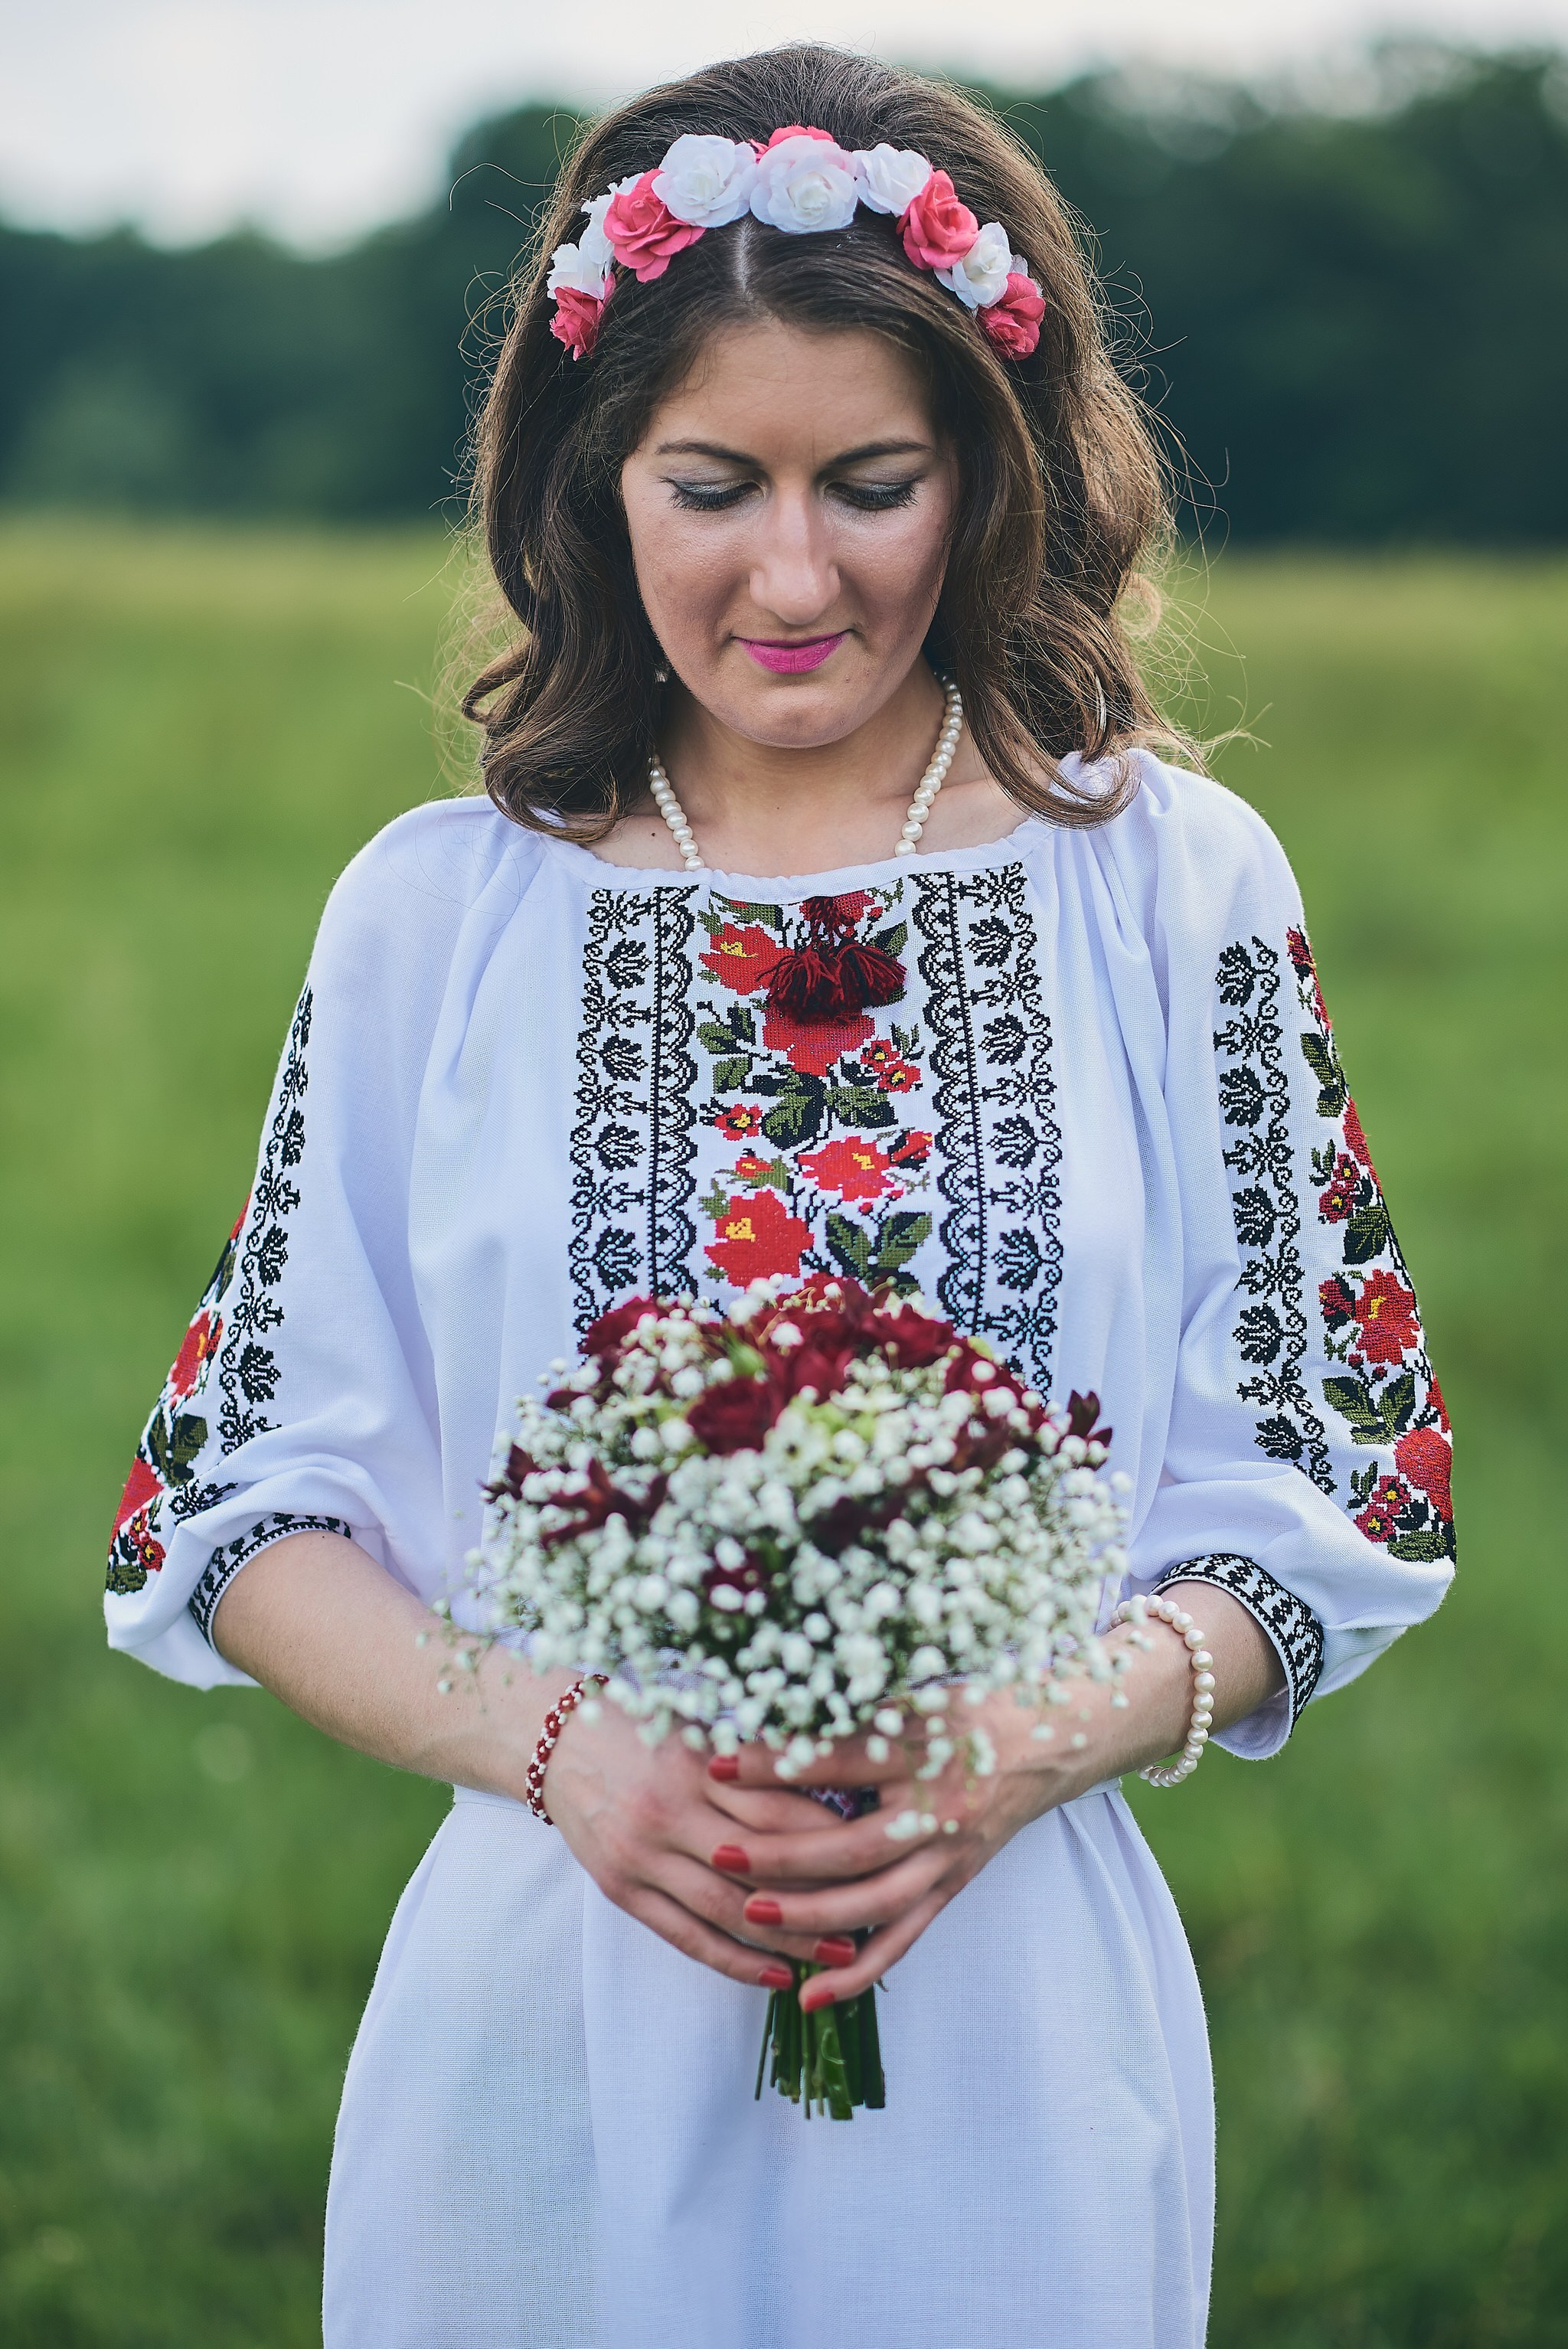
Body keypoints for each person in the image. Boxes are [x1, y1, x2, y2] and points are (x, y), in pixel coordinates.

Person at [103, 46, 1455, 2349]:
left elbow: (1354, 1481)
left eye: (878, 481)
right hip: (541, 2011)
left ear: (993, 478)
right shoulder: (434, 916)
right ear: (590, 475)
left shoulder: (1171, 888)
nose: (796, 570)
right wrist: (565, 1754)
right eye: (713, 481)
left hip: (1018, 2014)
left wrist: (1018, 1740)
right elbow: (232, 1507)